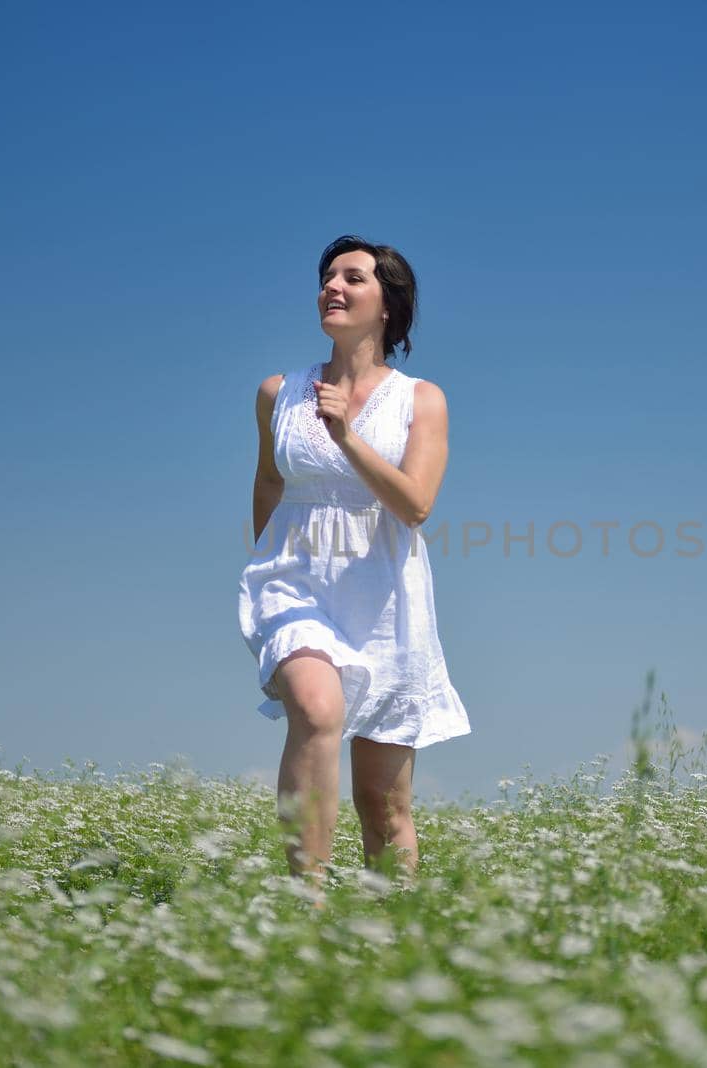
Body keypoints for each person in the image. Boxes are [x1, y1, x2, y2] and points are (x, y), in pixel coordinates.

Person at [237, 234, 471, 893]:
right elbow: (268, 484)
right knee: (315, 710)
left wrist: (346, 436)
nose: (332, 287)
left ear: (388, 305)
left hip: (386, 598)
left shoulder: (422, 399)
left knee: (383, 803)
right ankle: (305, 910)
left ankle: (391, 933)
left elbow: (416, 505)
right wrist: (266, 575)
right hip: (294, 586)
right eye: (327, 277)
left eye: (353, 278)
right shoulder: (278, 393)